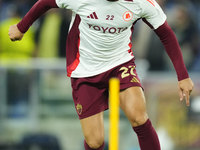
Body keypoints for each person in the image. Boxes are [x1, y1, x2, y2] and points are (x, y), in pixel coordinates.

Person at [8, 0, 194, 149]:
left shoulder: (141, 3)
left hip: (120, 64)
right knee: (95, 142)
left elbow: (166, 35)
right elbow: (45, 3)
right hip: (85, 69)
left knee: (139, 116)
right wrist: (21, 27)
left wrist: (183, 76)